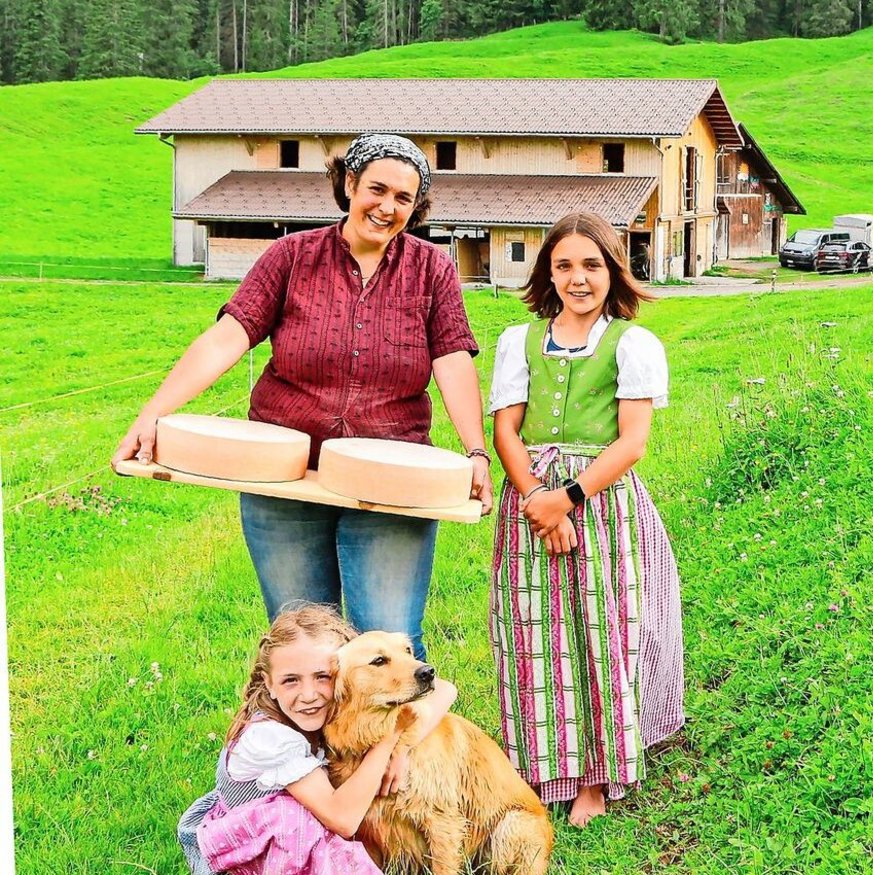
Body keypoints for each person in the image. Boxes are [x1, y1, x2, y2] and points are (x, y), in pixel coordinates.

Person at [112, 133, 491, 660]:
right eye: (376, 189)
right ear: (349, 183)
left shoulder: (432, 268)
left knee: (388, 645)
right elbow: (228, 336)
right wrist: (152, 414)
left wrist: (475, 452)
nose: (387, 207)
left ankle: (395, 748)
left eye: (403, 198)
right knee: (305, 646)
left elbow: (452, 360)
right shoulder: (291, 257)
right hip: (283, 481)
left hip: (390, 478)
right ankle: (309, 746)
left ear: (416, 207)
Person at [487, 212, 683, 828]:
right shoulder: (517, 342)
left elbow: (631, 443)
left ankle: (596, 776)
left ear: (612, 270)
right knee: (532, 632)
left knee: (600, 632)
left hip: (600, 503)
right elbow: (505, 430)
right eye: (565, 265)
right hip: (531, 503)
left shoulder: (630, 343)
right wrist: (538, 502)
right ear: (548, 271)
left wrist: (566, 498)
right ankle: (541, 767)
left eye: (591, 265)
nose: (578, 278)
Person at [177, 602, 458, 875]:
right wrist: (391, 738)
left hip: (290, 841)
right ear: (269, 683)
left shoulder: (324, 715)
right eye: (291, 680)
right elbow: (344, 819)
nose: (309, 695)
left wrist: (403, 749)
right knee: (295, 817)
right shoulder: (269, 738)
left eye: (322, 677)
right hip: (256, 853)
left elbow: (445, 690)